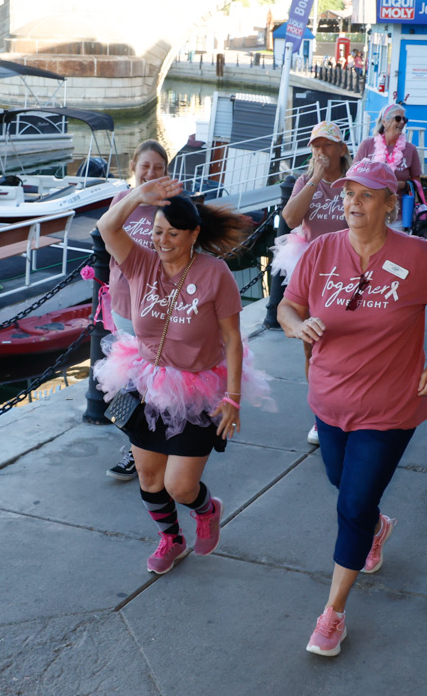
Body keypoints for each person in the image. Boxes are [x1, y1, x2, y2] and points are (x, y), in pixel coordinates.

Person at [277, 159, 427, 657]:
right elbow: (287, 306)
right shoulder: (321, 251)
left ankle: (333, 613)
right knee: (341, 482)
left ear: (389, 204)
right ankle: (377, 527)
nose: (353, 203)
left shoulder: (417, 256)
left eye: (366, 195)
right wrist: (296, 326)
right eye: (348, 194)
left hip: (389, 406)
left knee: (352, 506)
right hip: (328, 400)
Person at [94, 178, 272, 575]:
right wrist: (137, 196)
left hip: (197, 387)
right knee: (149, 477)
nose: (163, 241)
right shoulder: (140, 262)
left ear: (193, 234)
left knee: (180, 486)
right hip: (146, 383)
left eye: (173, 233)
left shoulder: (215, 273)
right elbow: (107, 227)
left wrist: (233, 397)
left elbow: (233, 339)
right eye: (157, 232)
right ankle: (171, 539)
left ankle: (206, 510)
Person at [278, 121, 352, 446]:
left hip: (349, 269)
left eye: (327, 145)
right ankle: (321, 414)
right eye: (316, 146)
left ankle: (350, 405)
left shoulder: (353, 181)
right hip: (312, 269)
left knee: (347, 342)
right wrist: (316, 179)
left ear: (341, 149)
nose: (321, 151)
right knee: (312, 343)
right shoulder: (304, 181)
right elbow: (290, 219)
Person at [105, 139, 169, 482]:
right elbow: (105, 234)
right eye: (145, 166)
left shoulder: (173, 206)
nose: (151, 173)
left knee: (148, 383)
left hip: (157, 312)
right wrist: (137, 197)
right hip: (123, 309)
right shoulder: (121, 201)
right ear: (133, 167)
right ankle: (143, 446)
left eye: (158, 168)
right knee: (133, 381)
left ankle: (139, 450)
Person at [354, 104, 422, 231]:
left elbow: (417, 182)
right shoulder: (367, 145)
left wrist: (403, 185)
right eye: (398, 118)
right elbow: (353, 177)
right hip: (368, 212)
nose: (402, 122)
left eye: (404, 119)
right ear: (384, 122)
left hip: (398, 215)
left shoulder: (410, 149)